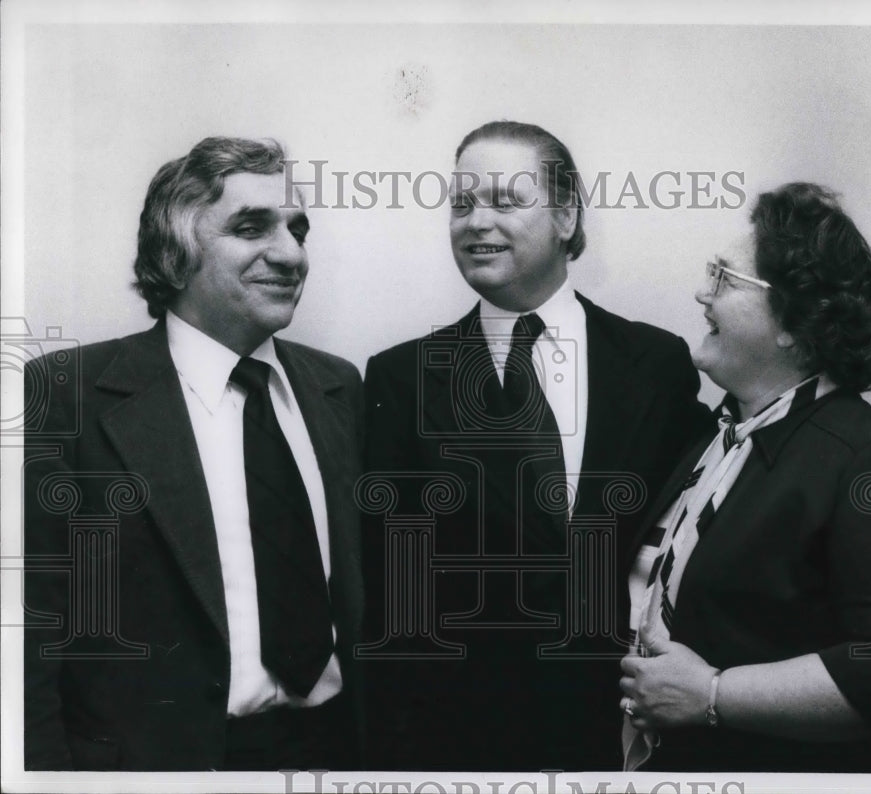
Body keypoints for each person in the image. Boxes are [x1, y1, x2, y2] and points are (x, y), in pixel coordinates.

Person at [362, 120, 712, 771]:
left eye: (504, 199)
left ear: (566, 214)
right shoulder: (400, 379)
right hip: (465, 745)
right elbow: (389, 596)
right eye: (461, 203)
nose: (475, 222)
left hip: (631, 739)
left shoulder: (655, 363)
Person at [22, 136, 365, 770]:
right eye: (251, 227)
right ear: (176, 252)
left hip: (339, 757)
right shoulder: (65, 397)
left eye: (298, 229)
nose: (291, 254)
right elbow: (26, 639)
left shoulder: (339, 387)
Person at [619, 182, 871, 773]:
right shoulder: (714, 438)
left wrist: (713, 696)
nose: (702, 293)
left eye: (725, 278)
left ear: (794, 319)